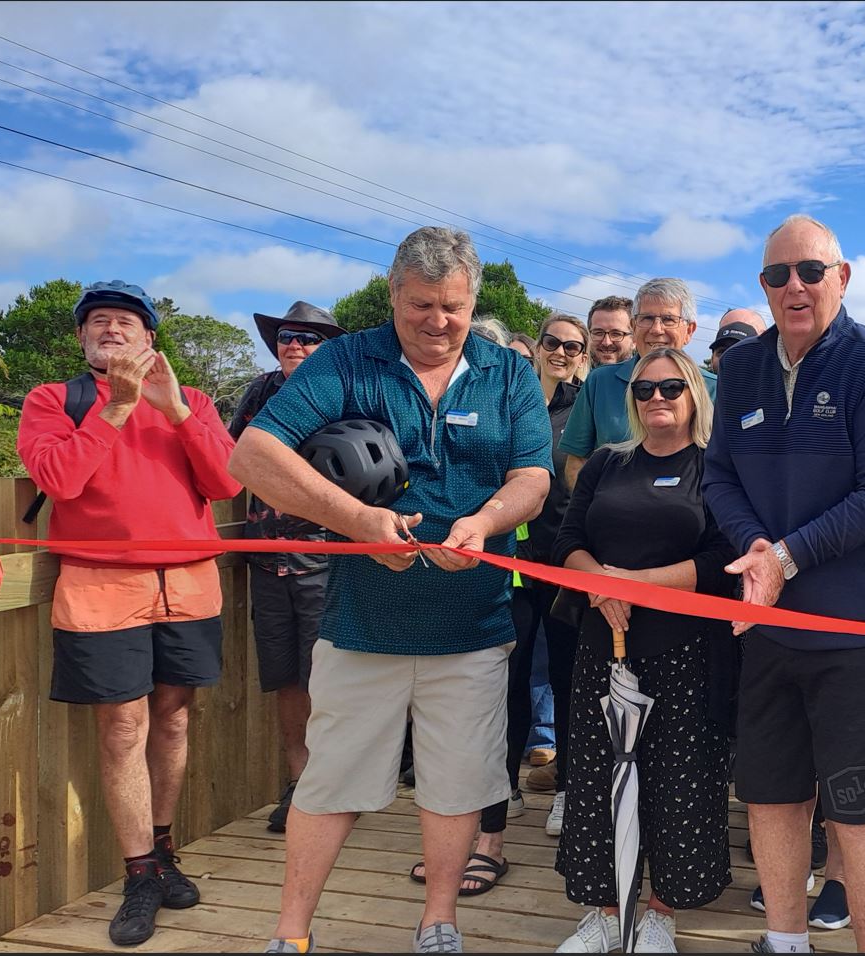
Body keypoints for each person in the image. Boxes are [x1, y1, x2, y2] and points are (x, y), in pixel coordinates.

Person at [232, 226, 552, 955]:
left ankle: (437, 921)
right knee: (327, 784)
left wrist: (485, 520)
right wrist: (357, 522)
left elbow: (532, 476)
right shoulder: (348, 357)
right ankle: (291, 932)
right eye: (419, 307)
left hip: (473, 623)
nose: (437, 322)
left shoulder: (507, 372)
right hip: (361, 623)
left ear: (473, 300)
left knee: (459, 785)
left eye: (452, 307)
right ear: (392, 296)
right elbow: (253, 454)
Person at [704, 213, 865, 954]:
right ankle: (785, 940)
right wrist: (753, 547)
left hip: (859, 632)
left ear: (842, 278)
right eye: (775, 275)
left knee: (861, 811)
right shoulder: (738, 370)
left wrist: (785, 557)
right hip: (767, 627)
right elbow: (720, 476)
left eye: (809, 271)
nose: (792, 286)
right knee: (770, 796)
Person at [17, 280, 243, 946]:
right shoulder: (53, 400)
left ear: (150, 339)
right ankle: (139, 872)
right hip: (100, 584)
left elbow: (228, 482)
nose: (111, 329)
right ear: (83, 339)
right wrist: (114, 409)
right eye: (98, 322)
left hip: (187, 583)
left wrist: (174, 409)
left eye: (126, 321)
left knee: (173, 717)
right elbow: (58, 481)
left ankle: (165, 849)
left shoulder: (194, 401)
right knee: (121, 726)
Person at [550, 348, 739, 953]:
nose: (657, 398)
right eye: (644, 389)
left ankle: (660, 910)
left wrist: (636, 584)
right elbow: (567, 540)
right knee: (595, 777)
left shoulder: (715, 468)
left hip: (684, 650)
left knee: (679, 783)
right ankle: (605, 911)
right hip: (601, 646)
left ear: (694, 395)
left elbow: (719, 559)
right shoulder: (607, 462)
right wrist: (601, 586)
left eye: (671, 387)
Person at [409, 312, 593, 893]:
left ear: (583, 355)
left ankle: (566, 788)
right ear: (535, 347)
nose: (562, 353)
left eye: (574, 346)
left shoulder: (579, 409)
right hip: (504, 567)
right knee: (502, 691)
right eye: (553, 343)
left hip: (564, 568)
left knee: (566, 683)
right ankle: (497, 809)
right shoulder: (504, 398)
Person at [226, 300, 349, 833]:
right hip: (267, 558)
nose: (295, 346)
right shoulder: (260, 391)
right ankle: (300, 785)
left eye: (308, 338)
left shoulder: (345, 393)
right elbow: (231, 456)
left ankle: (332, 785)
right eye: (286, 337)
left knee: (331, 680)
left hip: (328, 558)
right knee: (286, 683)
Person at [559, 279, 717, 491]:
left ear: (689, 330)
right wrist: (595, 512)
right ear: (633, 327)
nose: (656, 329)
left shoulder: (715, 389)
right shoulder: (600, 382)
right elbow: (576, 461)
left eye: (669, 319)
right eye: (647, 318)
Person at [585, 295, 636, 369]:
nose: (606, 343)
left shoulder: (648, 378)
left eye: (616, 334)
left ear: (634, 340)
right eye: (598, 333)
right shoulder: (574, 378)